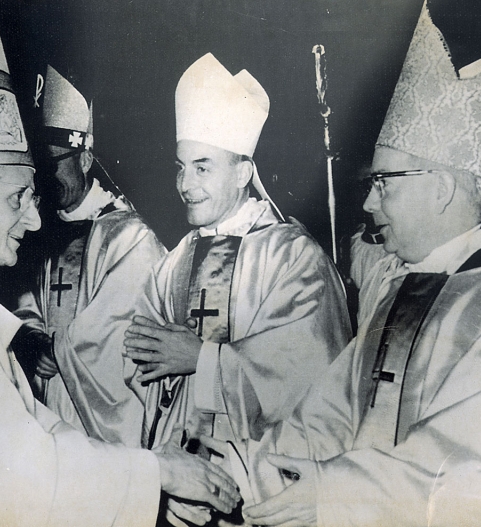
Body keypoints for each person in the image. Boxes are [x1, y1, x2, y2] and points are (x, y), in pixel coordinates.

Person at [0, 3, 240, 524]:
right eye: (17, 198)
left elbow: (36, 433)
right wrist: (154, 474)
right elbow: (21, 479)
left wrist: (154, 471)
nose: (33, 220)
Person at [241, 2, 481, 526]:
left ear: (441, 189)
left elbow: (461, 469)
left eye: (384, 183)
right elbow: (324, 422)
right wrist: (240, 469)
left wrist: (333, 494)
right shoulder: (402, 292)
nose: (370, 204)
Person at [123, 52, 351, 522]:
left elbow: (312, 376)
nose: (185, 184)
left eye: (202, 167)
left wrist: (201, 360)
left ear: (244, 173)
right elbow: (139, 359)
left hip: (256, 483)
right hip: (180, 480)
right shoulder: (174, 261)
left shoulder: (292, 257)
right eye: (181, 167)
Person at [12, 64, 166, 448]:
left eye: (56, 163)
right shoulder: (35, 233)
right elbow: (23, 303)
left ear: (83, 159)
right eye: (40, 166)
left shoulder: (129, 235)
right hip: (48, 405)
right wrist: (31, 341)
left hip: (104, 420)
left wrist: (58, 350)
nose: (46, 177)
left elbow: (118, 327)